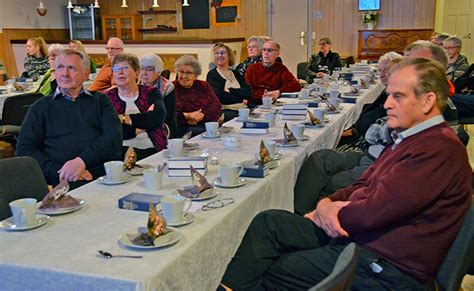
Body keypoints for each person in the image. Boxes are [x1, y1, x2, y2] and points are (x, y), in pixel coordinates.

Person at [220, 58, 472, 290]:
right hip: (361, 236)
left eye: (398, 96)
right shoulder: (411, 137)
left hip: (388, 266)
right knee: (270, 223)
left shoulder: (437, 149)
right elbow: (365, 181)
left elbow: (376, 212)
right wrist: (326, 203)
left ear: (427, 101)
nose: (386, 104)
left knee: (278, 269)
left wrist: (328, 214)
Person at [295, 53, 402, 215]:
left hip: (377, 161)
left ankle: (316, 216)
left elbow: (372, 132)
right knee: (320, 158)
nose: (382, 73)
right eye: (381, 69)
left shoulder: (407, 108)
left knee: (334, 182)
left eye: (386, 70)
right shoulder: (387, 94)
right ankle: (299, 213)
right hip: (367, 152)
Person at [16, 49, 122, 189]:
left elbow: (113, 138)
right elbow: (25, 150)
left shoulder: (101, 101)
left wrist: (82, 161)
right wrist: (63, 171)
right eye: (60, 67)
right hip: (58, 180)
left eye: (71, 68)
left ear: (85, 74)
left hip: (99, 176)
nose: (65, 74)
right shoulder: (41, 107)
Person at [105, 53, 168, 160]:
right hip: (119, 152)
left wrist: (124, 118)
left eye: (125, 68)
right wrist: (141, 127)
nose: (120, 72)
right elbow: (109, 131)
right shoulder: (106, 98)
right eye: (116, 69)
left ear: (137, 72)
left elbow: (158, 117)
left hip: (153, 149)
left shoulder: (151, 93)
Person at [173, 55, 222, 137]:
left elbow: (216, 106)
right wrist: (187, 116)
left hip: (203, 123)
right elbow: (168, 113)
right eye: (181, 72)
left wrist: (199, 116)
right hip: (181, 127)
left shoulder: (204, 85)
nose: (184, 76)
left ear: (196, 75)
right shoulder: (171, 87)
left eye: (188, 73)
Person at [245, 41, 300, 107]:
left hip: (275, 103)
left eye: (269, 50)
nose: (266, 53)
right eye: (264, 50)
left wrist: (279, 92)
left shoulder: (281, 68)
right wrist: (263, 94)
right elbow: (247, 90)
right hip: (256, 103)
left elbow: (295, 85)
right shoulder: (252, 69)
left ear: (277, 54)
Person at [206, 42, 252, 121]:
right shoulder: (212, 75)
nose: (219, 55)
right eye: (216, 53)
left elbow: (248, 92)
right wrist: (241, 100)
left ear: (229, 56)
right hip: (226, 111)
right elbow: (220, 96)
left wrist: (230, 90)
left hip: (244, 108)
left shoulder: (236, 73)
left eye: (222, 53)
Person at [139, 53, 177, 138]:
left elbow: (167, 115)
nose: (144, 73)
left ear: (158, 72)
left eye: (149, 69)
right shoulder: (134, 85)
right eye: (142, 68)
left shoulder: (167, 87)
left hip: (162, 125)